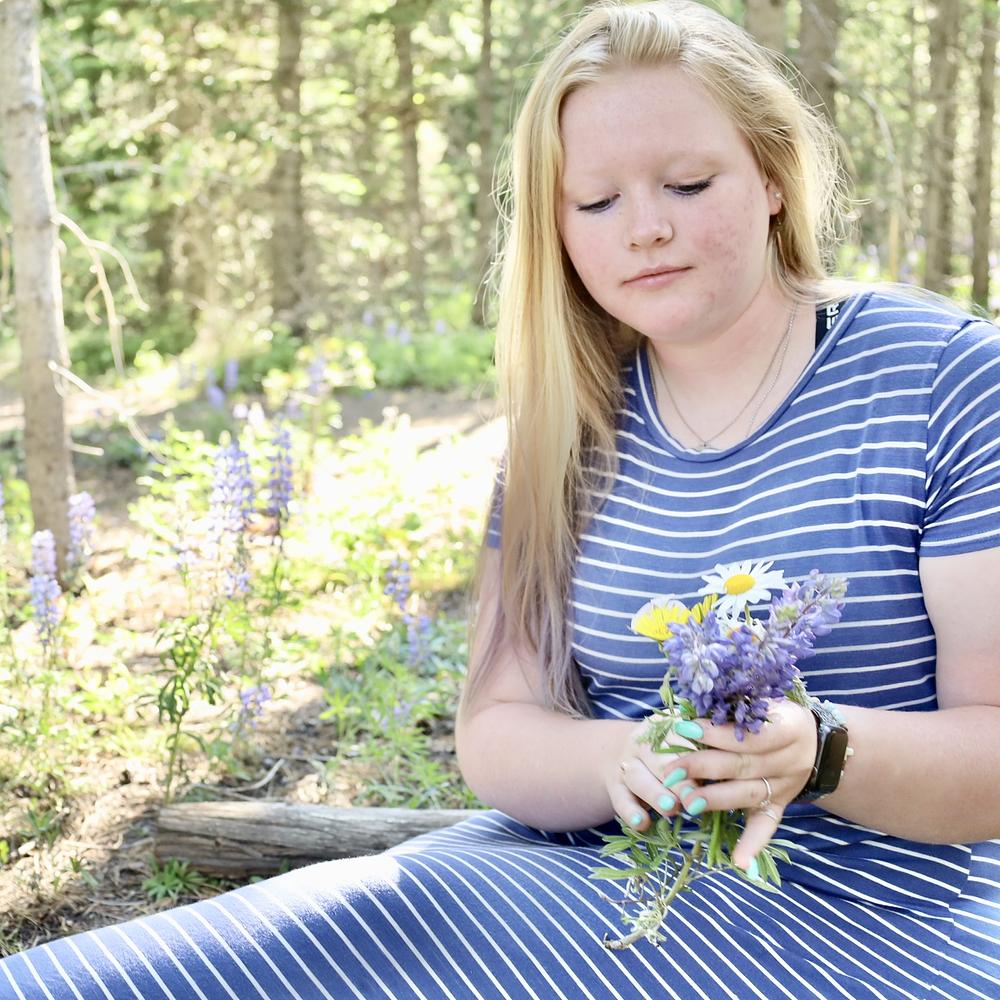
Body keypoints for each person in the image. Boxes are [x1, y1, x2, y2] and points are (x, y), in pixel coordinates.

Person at [3, 1, 999, 997]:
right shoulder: (570, 422)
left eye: (688, 184)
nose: (645, 227)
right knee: (299, 934)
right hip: (589, 881)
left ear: (774, 177)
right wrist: (623, 756)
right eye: (594, 202)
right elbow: (499, 724)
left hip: (877, 918)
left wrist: (821, 750)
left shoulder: (942, 381)